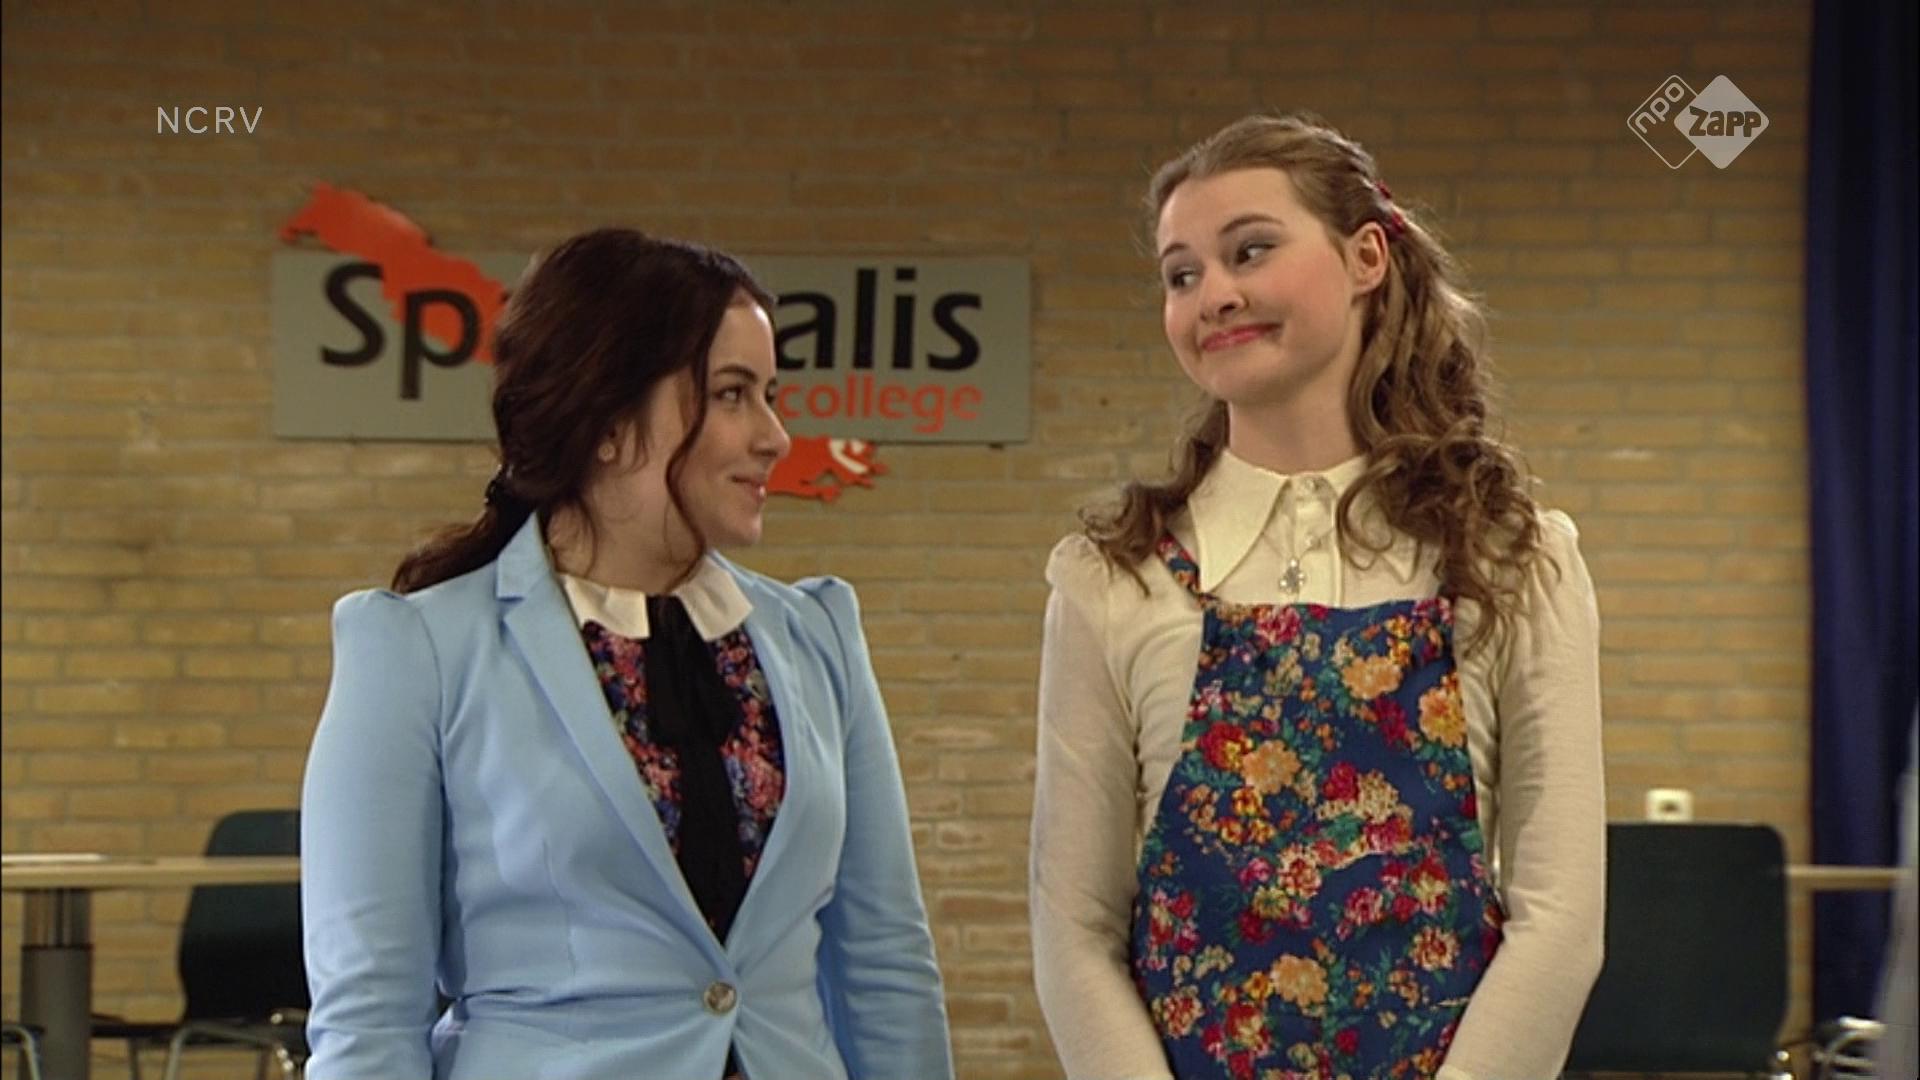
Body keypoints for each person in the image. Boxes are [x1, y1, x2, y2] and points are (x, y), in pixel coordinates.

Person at [300, 228, 954, 1080]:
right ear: (608, 422)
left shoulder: (818, 635)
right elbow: (368, 1019)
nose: (776, 436)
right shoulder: (419, 651)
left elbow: (885, 965)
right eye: (732, 394)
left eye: (770, 395)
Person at [1030, 113, 1605, 1080]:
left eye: (1249, 250)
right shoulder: (1113, 576)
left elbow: (1562, 919)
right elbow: (1074, 927)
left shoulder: (1514, 558)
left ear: (1366, 257)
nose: (1214, 294)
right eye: (1181, 274)